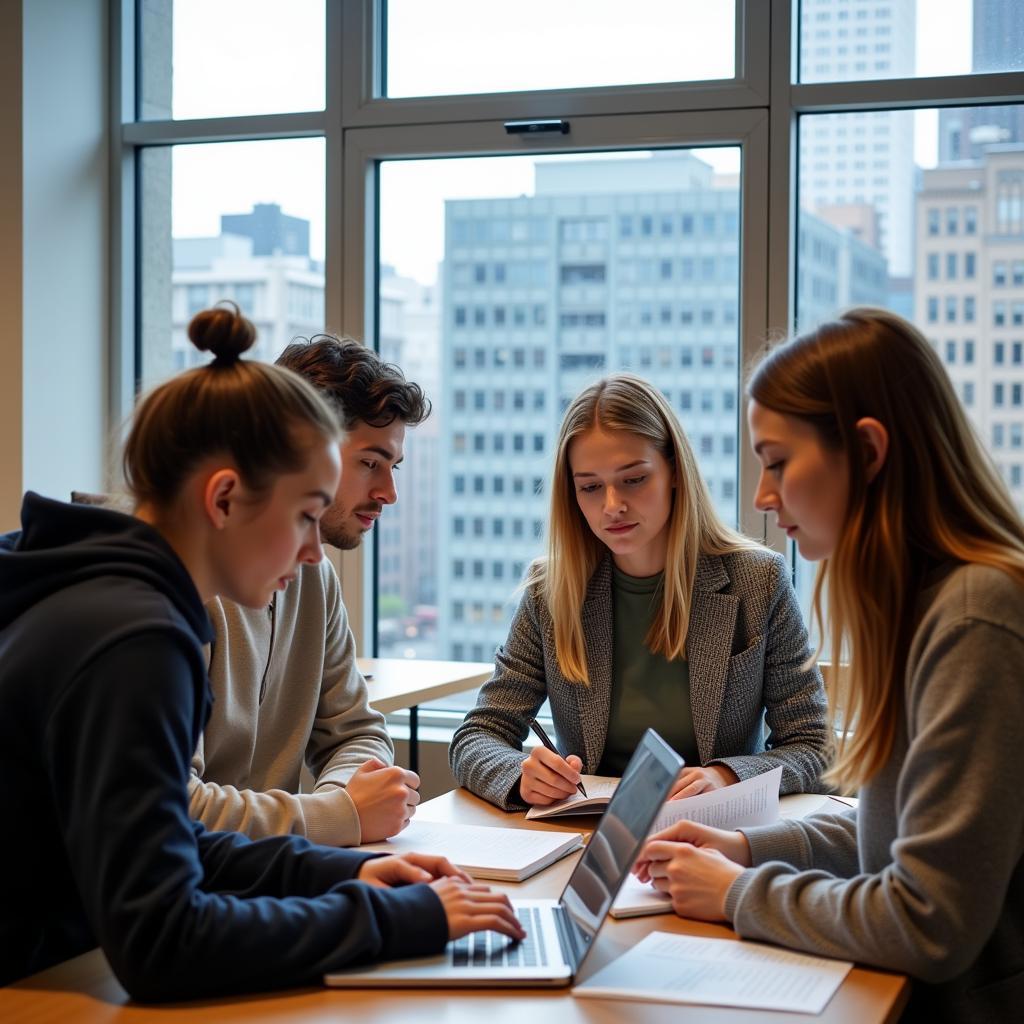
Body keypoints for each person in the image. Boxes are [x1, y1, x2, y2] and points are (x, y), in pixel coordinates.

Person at [0, 305, 522, 999]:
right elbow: (163, 943)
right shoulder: (137, 637)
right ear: (223, 498)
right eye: (305, 514)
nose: (312, 551)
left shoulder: (116, 600)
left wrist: (340, 872)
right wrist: (392, 917)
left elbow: (172, 840)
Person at [634, 308, 1024, 1022]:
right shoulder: (925, 602)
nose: (761, 495)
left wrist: (733, 893)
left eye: (778, 462)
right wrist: (747, 848)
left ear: (869, 452)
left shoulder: (975, 617)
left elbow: (928, 918)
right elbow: (894, 830)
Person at [450, 373, 830, 811]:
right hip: (592, 837)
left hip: (714, 837)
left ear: (673, 471)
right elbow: (476, 737)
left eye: (633, 479)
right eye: (590, 487)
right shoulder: (551, 592)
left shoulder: (757, 580)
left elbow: (814, 747)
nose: (612, 505)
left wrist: (725, 775)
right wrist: (521, 777)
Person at [191, 335, 430, 847]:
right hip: (195, 893)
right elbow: (171, 808)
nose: (389, 492)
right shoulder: (181, 584)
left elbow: (356, 733)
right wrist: (337, 817)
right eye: (370, 463)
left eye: (394, 466)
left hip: (258, 876)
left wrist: (344, 807)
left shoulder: (313, 571)